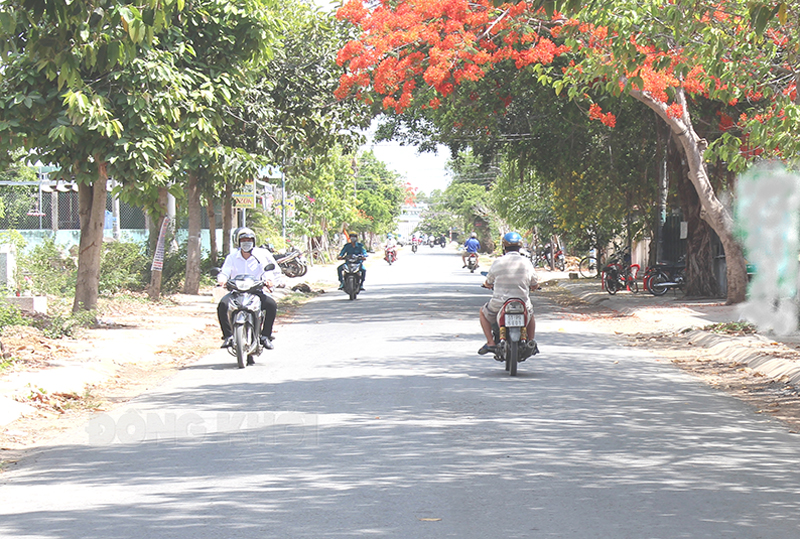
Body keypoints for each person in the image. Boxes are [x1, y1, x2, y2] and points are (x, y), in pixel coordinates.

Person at [217, 228, 283, 357]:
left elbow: (268, 271)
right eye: (243, 240)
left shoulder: (261, 256)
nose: (246, 243)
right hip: (236, 291)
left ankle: (265, 336)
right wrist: (222, 280)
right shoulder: (232, 257)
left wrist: (269, 281)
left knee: (271, 305)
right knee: (222, 306)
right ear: (238, 242)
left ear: (254, 241)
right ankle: (228, 336)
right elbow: (224, 272)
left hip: (256, 291)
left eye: (249, 240)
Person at [478, 231, 539, 355]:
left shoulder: (498, 262)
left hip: (500, 302)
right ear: (520, 246)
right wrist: (534, 287)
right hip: (522, 301)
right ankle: (531, 341)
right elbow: (534, 282)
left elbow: (489, 280)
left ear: (504, 246)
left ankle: (490, 342)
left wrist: (487, 284)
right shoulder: (526, 262)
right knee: (530, 313)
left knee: (482, 313)